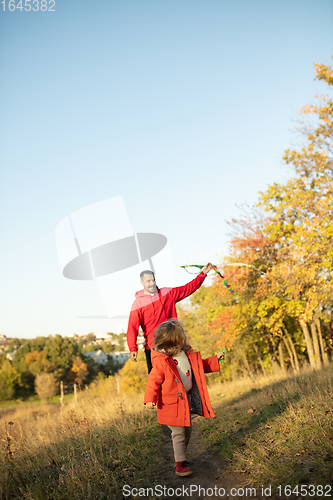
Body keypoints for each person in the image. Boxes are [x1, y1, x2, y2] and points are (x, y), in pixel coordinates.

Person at [144, 320, 224, 477]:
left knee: (187, 430)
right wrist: (149, 399)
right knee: (179, 432)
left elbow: (200, 366)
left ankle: (182, 454)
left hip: (184, 401)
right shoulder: (161, 361)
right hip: (170, 404)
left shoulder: (185, 354)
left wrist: (215, 359)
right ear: (173, 342)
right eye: (182, 337)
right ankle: (180, 463)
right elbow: (153, 380)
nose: (185, 338)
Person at [127, 262, 216, 373]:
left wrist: (202, 274)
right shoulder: (138, 303)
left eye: (153, 280)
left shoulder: (167, 293)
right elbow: (132, 327)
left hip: (173, 344)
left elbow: (188, 288)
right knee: (158, 381)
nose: (152, 283)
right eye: (148, 281)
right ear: (142, 282)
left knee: (183, 375)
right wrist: (133, 348)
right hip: (154, 348)